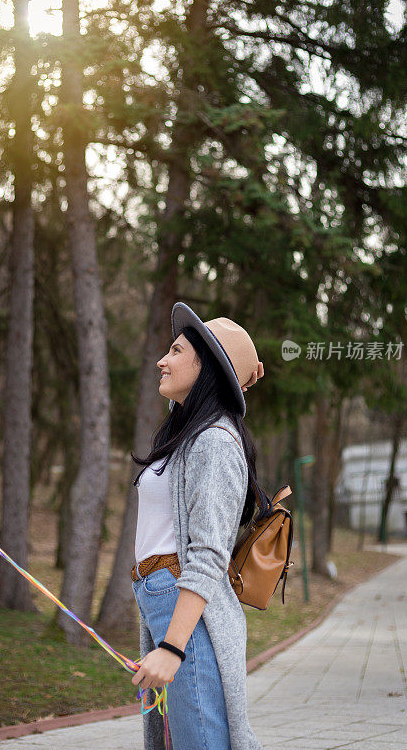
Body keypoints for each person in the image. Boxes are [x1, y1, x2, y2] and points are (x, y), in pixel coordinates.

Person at [130, 301, 271, 750]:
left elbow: (207, 554)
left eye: (174, 350)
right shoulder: (189, 433)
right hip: (162, 602)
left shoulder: (214, 441)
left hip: (185, 613)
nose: (162, 360)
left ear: (205, 365)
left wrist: (172, 647)